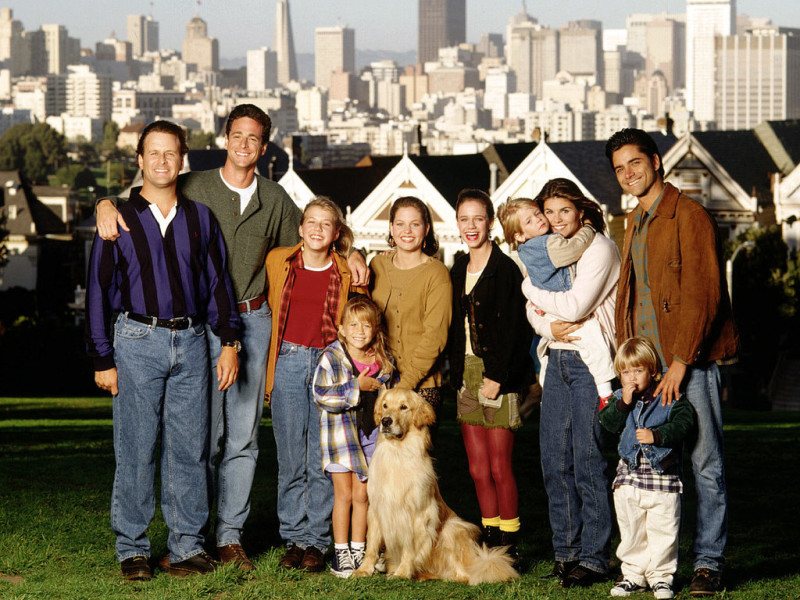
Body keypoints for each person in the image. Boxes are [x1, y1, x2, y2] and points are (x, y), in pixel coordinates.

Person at [95, 105, 369, 570]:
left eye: (254, 139)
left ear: (264, 148)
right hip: (195, 323)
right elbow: (148, 195)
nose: (245, 145)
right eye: (237, 136)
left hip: (253, 321)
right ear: (225, 139)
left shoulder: (275, 198)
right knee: (198, 436)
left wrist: (352, 249)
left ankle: (229, 536)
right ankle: (190, 537)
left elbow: (311, 241)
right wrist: (106, 203)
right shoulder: (196, 184)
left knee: (242, 437)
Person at [85, 120, 241, 581]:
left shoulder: (200, 219)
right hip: (136, 341)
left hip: (192, 342)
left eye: (171, 153)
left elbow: (217, 285)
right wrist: (102, 358)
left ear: (183, 159)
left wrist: (229, 341)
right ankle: (132, 549)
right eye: (153, 153)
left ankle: (187, 547)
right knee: (135, 448)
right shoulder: (117, 219)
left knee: (189, 449)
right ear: (139, 160)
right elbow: (97, 290)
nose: (161, 161)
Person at [605, 128, 738, 597]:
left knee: (705, 464)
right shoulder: (632, 222)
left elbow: (705, 294)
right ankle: (647, 568)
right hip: (645, 366)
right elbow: (630, 296)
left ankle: (708, 564)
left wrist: (682, 362)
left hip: (689, 362)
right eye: (620, 168)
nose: (628, 174)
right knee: (649, 466)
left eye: (635, 163)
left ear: (657, 162)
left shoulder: (690, 215)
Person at [521, 178, 620, 588]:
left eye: (565, 211)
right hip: (556, 359)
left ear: (581, 210)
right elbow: (538, 316)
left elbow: (576, 305)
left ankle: (595, 558)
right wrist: (547, 322)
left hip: (590, 364)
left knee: (588, 461)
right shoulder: (549, 249)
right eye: (549, 212)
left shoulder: (599, 248)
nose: (557, 219)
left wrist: (527, 287)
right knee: (554, 462)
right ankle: (566, 552)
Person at [265, 197, 367, 573]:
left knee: (322, 459)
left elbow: (361, 322)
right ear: (300, 227)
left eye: (326, 224)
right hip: (289, 361)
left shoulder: (346, 270)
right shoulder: (280, 261)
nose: (317, 229)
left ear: (337, 233)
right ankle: (293, 537)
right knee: (291, 455)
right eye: (311, 222)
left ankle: (317, 541)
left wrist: (355, 253)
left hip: (330, 364)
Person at [448, 189, 531, 567]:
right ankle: (490, 538)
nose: (471, 226)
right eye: (464, 219)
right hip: (465, 374)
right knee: (477, 467)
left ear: (490, 222)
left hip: (499, 373)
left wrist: (498, 376)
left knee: (499, 466)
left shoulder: (505, 269)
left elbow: (518, 331)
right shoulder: (456, 269)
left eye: (477, 218)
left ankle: (510, 544)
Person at [600, 337, 695, 600]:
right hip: (629, 479)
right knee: (631, 530)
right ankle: (632, 575)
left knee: (663, 530)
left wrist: (659, 436)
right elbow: (607, 423)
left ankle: (662, 577)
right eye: (625, 372)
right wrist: (624, 403)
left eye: (638, 370)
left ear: (652, 371)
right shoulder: (620, 398)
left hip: (662, 480)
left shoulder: (668, 395)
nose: (631, 377)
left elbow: (685, 421)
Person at [497, 196, 615, 400]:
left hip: (553, 311)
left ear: (579, 211)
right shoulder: (547, 244)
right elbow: (573, 249)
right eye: (530, 221)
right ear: (520, 235)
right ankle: (607, 394)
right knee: (595, 344)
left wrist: (530, 293)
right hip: (561, 312)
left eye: (537, 214)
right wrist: (589, 228)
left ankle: (545, 381)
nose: (540, 220)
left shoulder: (529, 248)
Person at [313, 295, 395, 578]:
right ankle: (341, 551)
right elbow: (321, 395)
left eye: (367, 325)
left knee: (363, 494)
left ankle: (360, 549)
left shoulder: (382, 360)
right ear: (342, 329)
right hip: (341, 438)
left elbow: (388, 396)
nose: (360, 331)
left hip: (370, 437)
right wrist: (356, 387)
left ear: (375, 329)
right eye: (354, 325)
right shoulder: (331, 358)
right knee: (344, 494)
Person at [370, 196, 452, 430]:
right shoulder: (376, 264)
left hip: (421, 388)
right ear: (391, 228)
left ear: (426, 229)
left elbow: (435, 337)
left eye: (415, 224)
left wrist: (403, 386)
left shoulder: (437, 274)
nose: (407, 231)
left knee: (415, 464)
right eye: (400, 224)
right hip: (379, 382)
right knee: (377, 461)